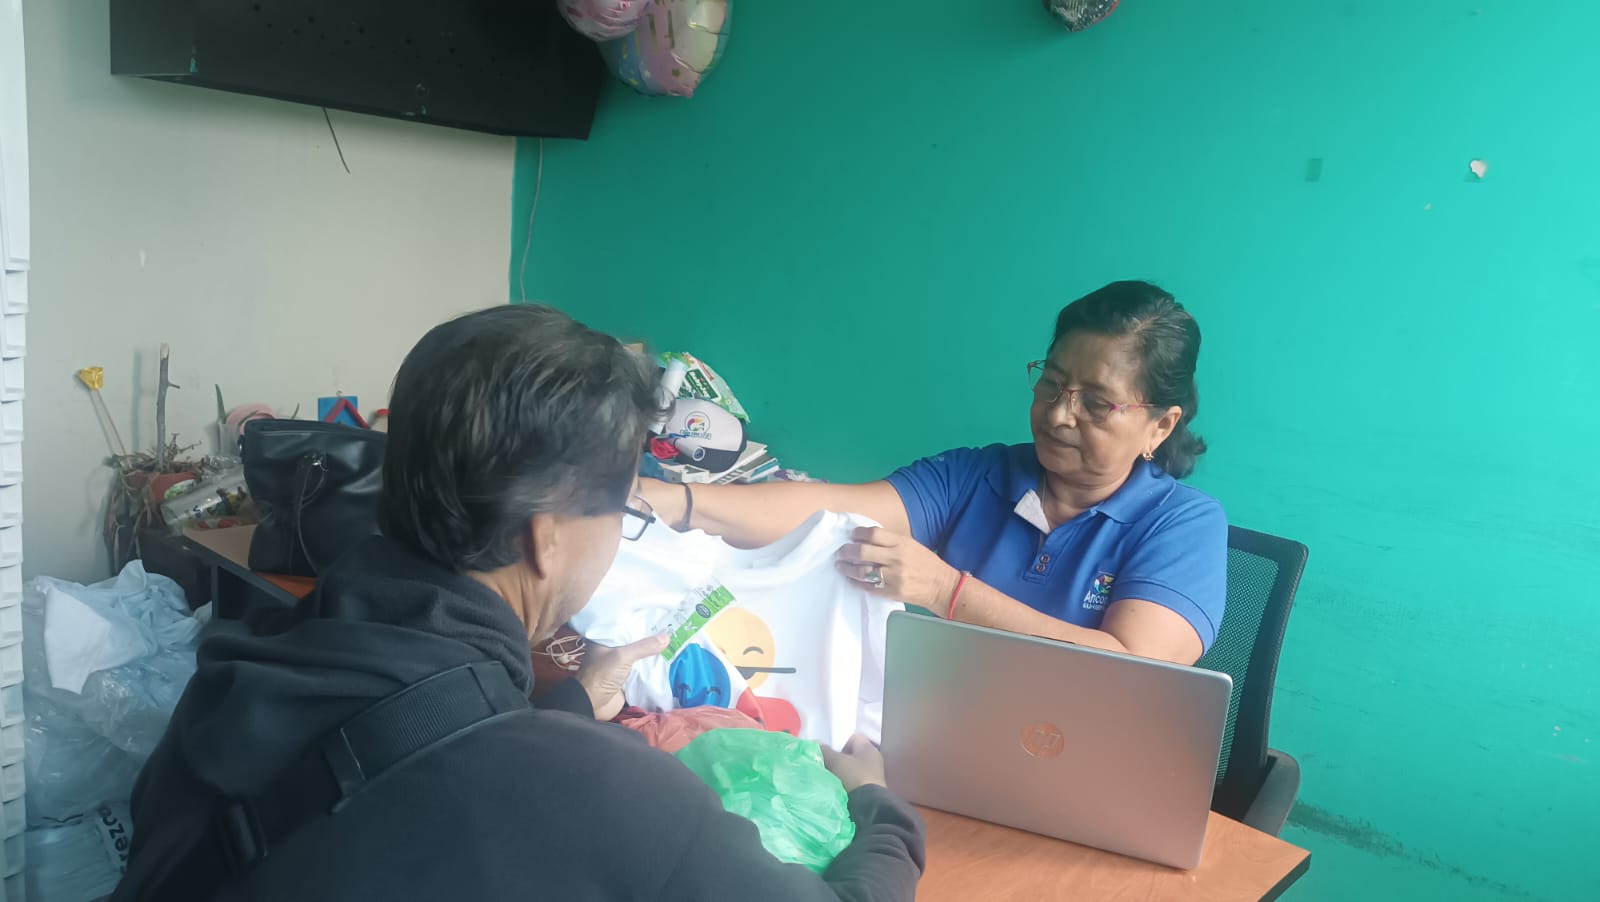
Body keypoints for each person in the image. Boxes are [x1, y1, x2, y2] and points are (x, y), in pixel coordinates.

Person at [113, 306, 925, 901]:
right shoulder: (608, 794)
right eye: (621, 509)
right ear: (547, 539)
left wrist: (568, 704)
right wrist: (876, 804)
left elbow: (398, 758)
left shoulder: (247, 660)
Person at [641, 281, 1226, 665]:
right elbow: (831, 508)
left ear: (1160, 425)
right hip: (937, 737)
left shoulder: (1181, 524)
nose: (1057, 414)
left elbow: (1134, 670)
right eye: (1051, 383)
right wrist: (675, 502)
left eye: (1095, 403)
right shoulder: (977, 475)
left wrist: (947, 591)